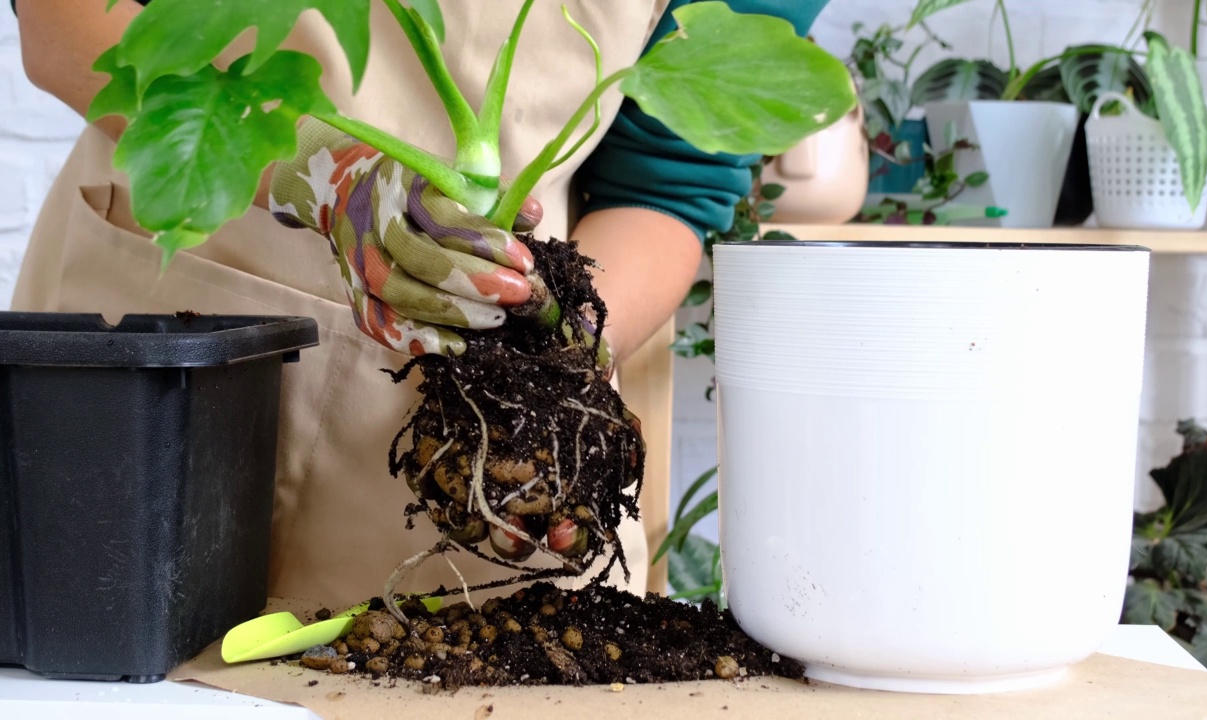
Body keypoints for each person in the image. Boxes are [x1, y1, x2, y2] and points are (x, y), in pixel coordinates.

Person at [10, 0, 832, 608]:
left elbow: (668, 178)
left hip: (480, 407)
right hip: (176, 354)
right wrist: (320, 171)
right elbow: (71, 20)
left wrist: (548, 367)